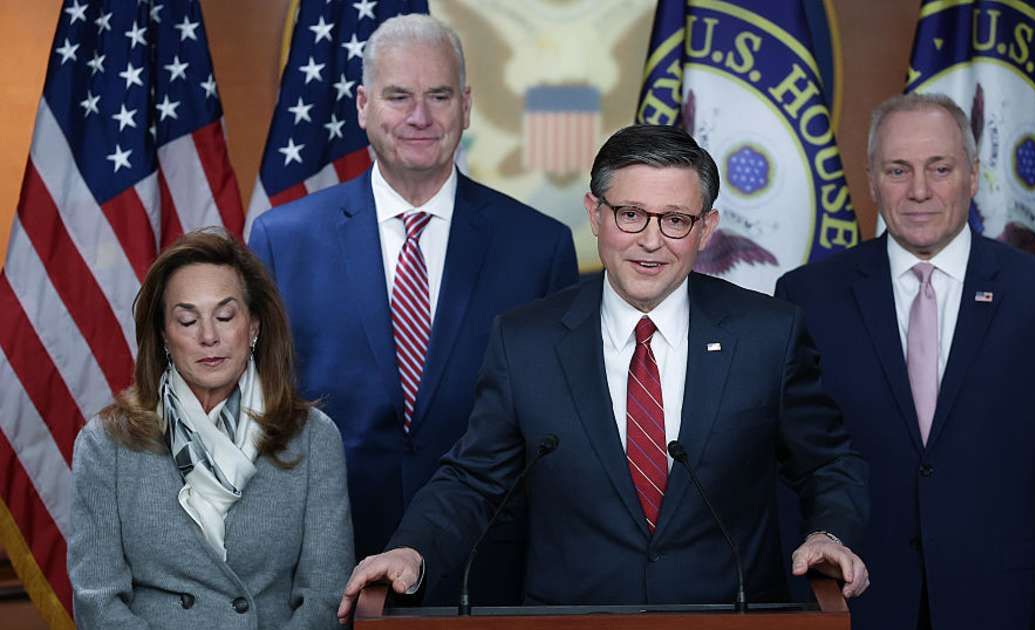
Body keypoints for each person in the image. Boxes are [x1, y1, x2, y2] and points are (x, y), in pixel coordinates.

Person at [337, 124, 870, 621]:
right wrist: (412, 549)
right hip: (574, 622)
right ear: (595, 214)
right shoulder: (527, 341)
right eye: (630, 214)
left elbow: (827, 464)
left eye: (675, 219)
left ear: (706, 228)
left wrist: (830, 533)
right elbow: (474, 481)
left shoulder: (768, 334)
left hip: (727, 620)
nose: (651, 240)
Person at [247, 14, 578, 603]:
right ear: (363, 106)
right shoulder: (282, 239)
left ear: (467, 106)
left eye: (439, 95)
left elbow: (555, 430)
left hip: (488, 572)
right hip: (325, 567)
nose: (420, 117)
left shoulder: (538, 245)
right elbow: (258, 412)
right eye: (399, 96)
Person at [775, 93, 1035, 629]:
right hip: (859, 607)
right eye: (898, 169)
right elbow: (793, 473)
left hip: (1006, 608)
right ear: (871, 178)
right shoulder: (808, 297)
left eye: (940, 168)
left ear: (973, 176)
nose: (920, 190)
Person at [68, 230, 353, 630]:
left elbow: (325, 597)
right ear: (164, 335)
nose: (208, 336)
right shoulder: (105, 443)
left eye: (224, 316)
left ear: (253, 326)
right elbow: (97, 602)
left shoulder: (313, 438)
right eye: (187, 320)